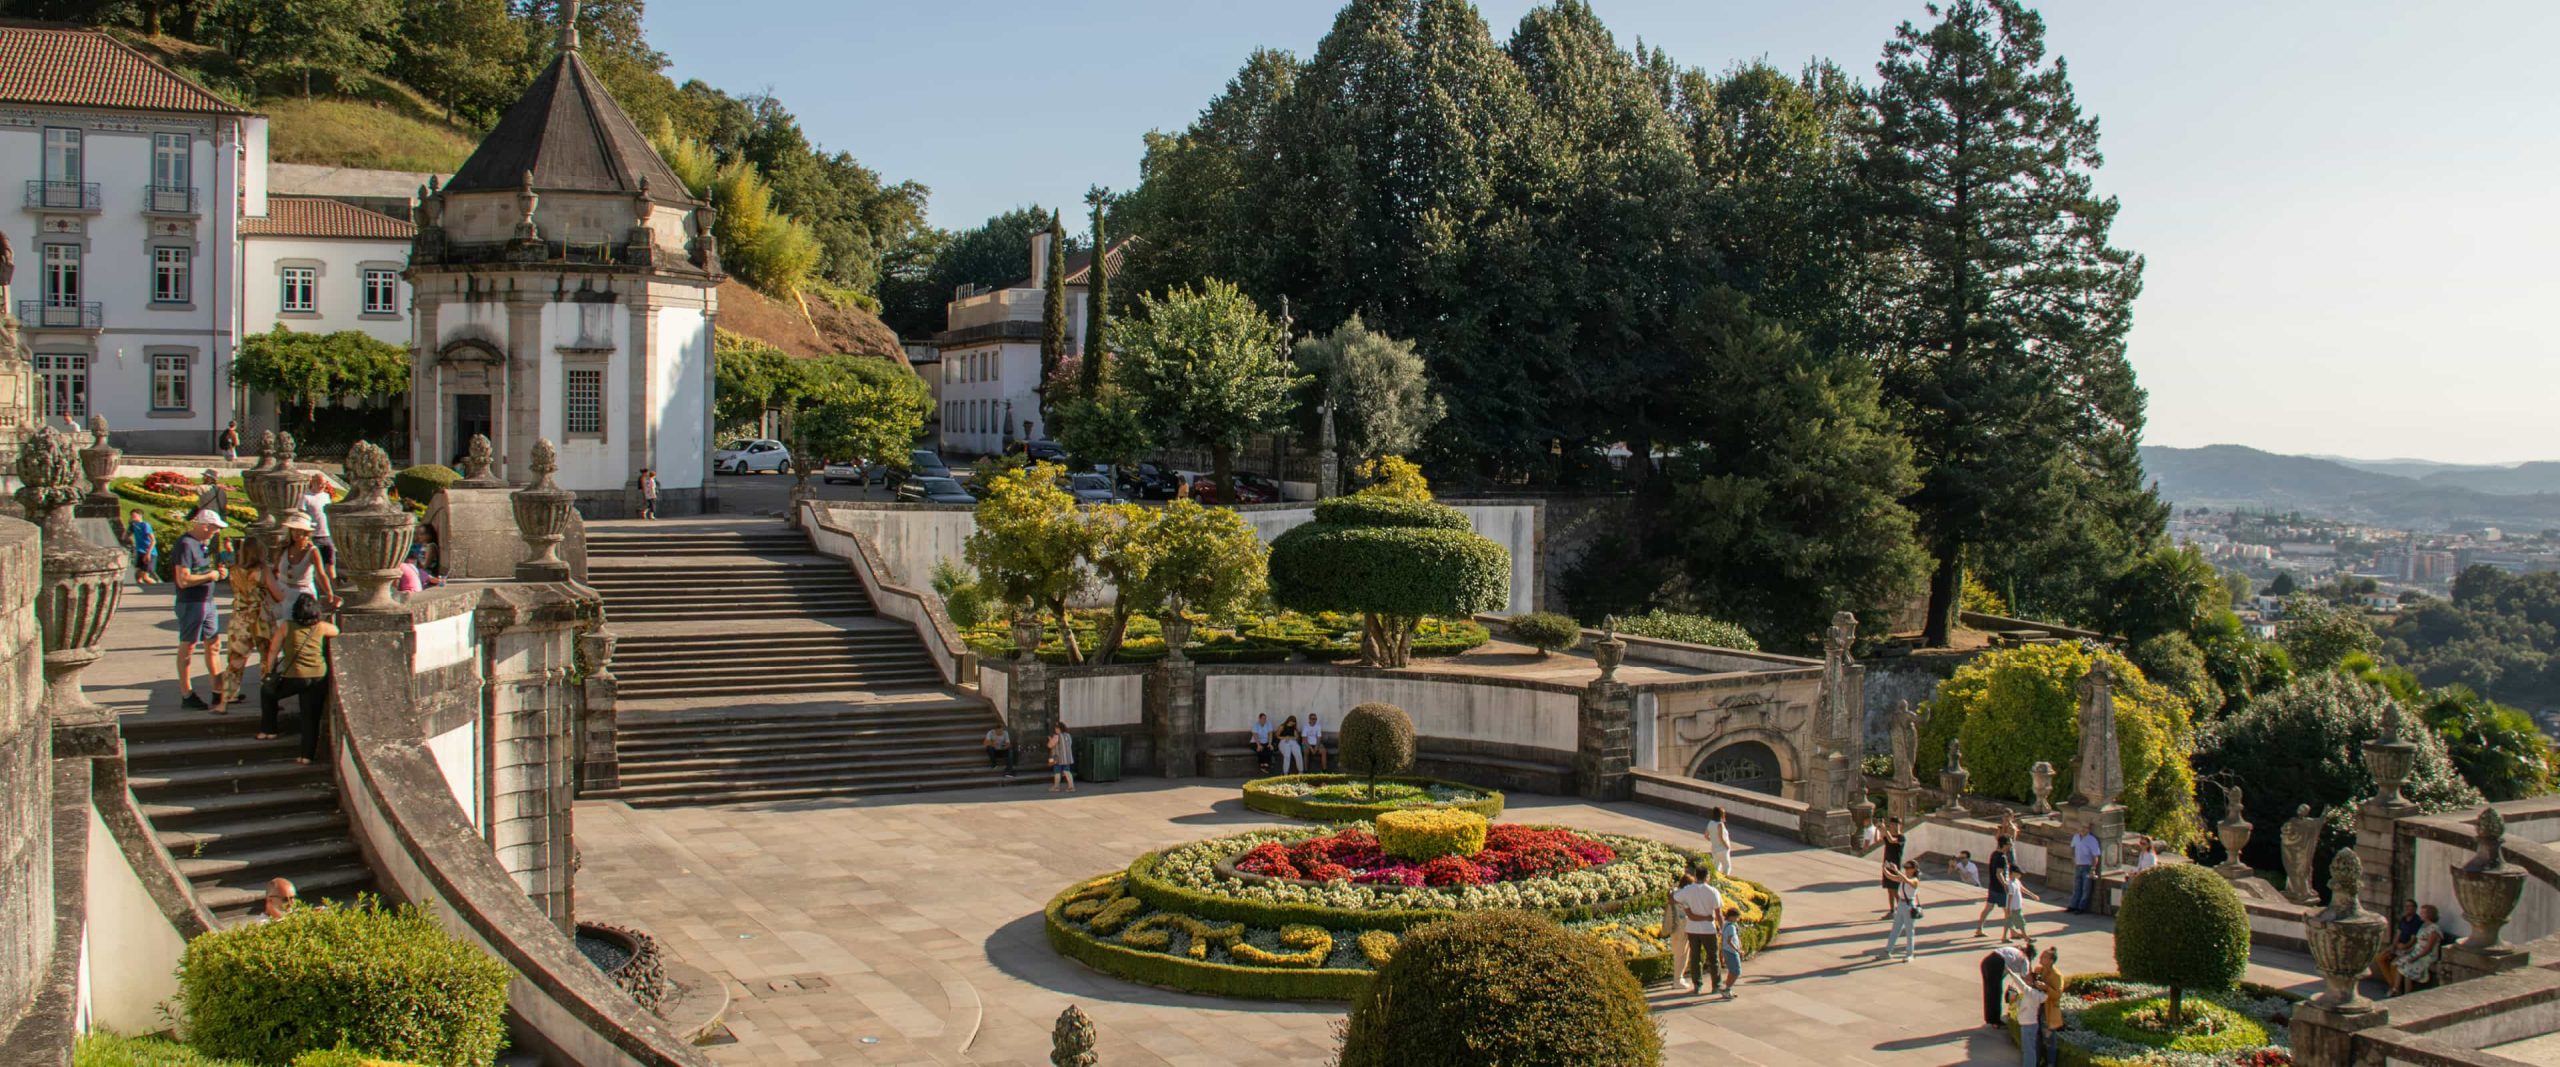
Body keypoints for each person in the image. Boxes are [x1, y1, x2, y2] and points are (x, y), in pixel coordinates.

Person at [261, 594, 337, 763]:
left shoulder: (286, 626)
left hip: (295, 676)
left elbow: (273, 650)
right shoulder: (321, 627)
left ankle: (269, 730)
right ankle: (306, 756)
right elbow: (336, 631)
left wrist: (269, 670)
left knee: (268, 692)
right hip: (318, 675)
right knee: (311, 717)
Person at [169, 510, 228, 710]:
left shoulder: (201, 544)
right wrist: (210, 576)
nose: (216, 532)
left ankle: (218, 691)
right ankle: (186, 693)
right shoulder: (186, 544)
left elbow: (199, 571)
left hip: (207, 600)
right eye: (214, 528)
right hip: (191, 602)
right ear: (204, 526)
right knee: (189, 645)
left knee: (213, 644)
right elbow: (183, 580)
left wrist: (216, 573)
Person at [214, 536, 271, 715]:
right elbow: (278, 594)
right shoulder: (263, 570)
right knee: (267, 659)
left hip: (239, 618)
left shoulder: (234, 571)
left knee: (234, 661)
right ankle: (269, 701)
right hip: (260, 618)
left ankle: (225, 702)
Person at [267, 513, 338, 627]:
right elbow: (275, 570)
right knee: (283, 627)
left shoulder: (312, 551)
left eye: (299, 530)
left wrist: (329, 593)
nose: (296, 533)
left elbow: (320, 574)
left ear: (306, 532)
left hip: (303, 594)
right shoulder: (283, 548)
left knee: (303, 627)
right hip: (283, 591)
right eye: (294, 530)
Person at [1670, 864, 1724, 994]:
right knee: (1713, 958)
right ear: (1707, 877)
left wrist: (1685, 907)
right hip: (1708, 929)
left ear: (1696, 876)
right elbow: (1718, 914)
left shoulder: (1688, 890)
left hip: (1692, 929)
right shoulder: (1712, 891)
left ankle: (1697, 986)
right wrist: (1723, 929)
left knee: (1695, 958)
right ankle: (1716, 985)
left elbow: (1672, 899)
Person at [1979, 937, 2036, 1026]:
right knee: (1996, 993)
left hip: (1987, 961)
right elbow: (2024, 977)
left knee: (1989, 991)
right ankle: (1995, 1021)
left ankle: (1990, 1018)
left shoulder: (2013, 950)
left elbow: (2005, 970)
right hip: (1997, 963)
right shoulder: (2024, 958)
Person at [2391, 904, 2445, 996]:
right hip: (2417, 952)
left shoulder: (2434, 929)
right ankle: (2396, 989)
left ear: (2429, 914)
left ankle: (2407, 994)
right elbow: (2417, 943)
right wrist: (2408, 951)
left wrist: (2415, 957)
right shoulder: (2423, 926)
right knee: (2400, 962)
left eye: (2423, 913)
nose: (2421, 914)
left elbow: (2428, 948)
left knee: (2408, 968)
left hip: (2427, 955)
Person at [2023, 947, 2063, 1067]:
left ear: (2051, 960)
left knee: (2049, 1040)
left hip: (2048, 1011)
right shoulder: (2038, 970)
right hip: (2036, 1008)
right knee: (2037, 1038)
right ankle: (2036, 1061)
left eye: (2044, 957)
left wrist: (2046, 988)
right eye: (2041, 956)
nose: (2041, 958)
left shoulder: (2056, 975)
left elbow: (2057, 995)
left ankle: (2050, 1063)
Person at [2374, 900, 2422, 986]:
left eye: (2409, 906)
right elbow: (2398, 934)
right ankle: (2392, 983)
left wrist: (2404, 947)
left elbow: (2413, 940)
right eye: (2406, 906)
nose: (2407, 908)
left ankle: (2395, 987)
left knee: (2394, 965)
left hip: (2407, 948)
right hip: (2398, 946)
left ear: (2415, 908)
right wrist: (2393, 946)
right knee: (2379, 958)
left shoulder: (2417, 921)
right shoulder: (2403, 919)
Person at [1977, 835, 2016, 936]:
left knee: (1988, 908)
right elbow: (1999, 873)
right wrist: (2005, 885)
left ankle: (1979, 929)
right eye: (2010, 844)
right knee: (2008, 911)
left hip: (1993, 886)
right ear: (2004, 845)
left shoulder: (1994, 854)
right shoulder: (2002, 858)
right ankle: (2010, 933)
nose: (2011, 846)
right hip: (2000, 889)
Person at [1882, 859, 1921, 961]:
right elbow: (1891, 877)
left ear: (1914, 869)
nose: (1906, 869)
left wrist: (1896, 870)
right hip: (1901, 904)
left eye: (1908, 868)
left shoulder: (1915, 880)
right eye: (1905, 867)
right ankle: (1887, 952)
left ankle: (1909, 954)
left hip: (1909, 905)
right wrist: (1885, 868)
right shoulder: (1903, 877)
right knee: (1895, 929)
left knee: (1909, 931)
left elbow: (1907, 881)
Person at [300, 473, 337, 573]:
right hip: (313, 536)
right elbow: (301, 515)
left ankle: (331, 582)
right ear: (313, 482)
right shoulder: (305, 497)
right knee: (316, 567)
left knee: (331, 563)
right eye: (320, 483)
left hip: (327, 535)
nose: (323, 486)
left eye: (324, 483)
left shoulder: (326, 496)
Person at [2067, 823, 2103, 913]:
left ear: (2089, 829)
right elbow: (2072, 848)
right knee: (2077, 887)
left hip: (2087, 866)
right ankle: (2073, 905)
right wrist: (2073, 859)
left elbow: (2095, 856)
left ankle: (2081, 907)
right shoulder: (2076, 837)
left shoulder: (2092, 840)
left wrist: (2093, 868)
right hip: (2078, 865)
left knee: (2086, 888)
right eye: (2081, 827)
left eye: (2085, 828)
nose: (2083, 829)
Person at [2001, 861, 2037, 942]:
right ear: (2013, 873)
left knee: (2008, 923)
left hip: (2014, 907)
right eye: (2019, 873)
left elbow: (2022, 889)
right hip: (2014, 908)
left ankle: (2004, 938)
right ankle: (2026, 937)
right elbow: (2009, 898)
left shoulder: (2016, 881)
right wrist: (2008, 909)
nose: (2020, 875)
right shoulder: (2011, 884)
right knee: (2021, 922)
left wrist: (2032, 895)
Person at [1716, 903, 1744, 1000]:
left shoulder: (1726, 924)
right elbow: (1729, 941)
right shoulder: (1731, 927)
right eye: (1736, 917)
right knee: (1736, 971)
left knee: (1732, 971)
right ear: (1731, 917)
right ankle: (1727, 989)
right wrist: (1738, 950)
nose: (1737, 919)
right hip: (1731, 951)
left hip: (1726, 950)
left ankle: (1727, 989)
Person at [1879, 817, 1907, 913]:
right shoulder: (1888, 835)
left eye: (1896, 824)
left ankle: (1902, 910)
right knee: (1889, 890)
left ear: (1900, 826)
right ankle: (1892, 910)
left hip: (1895, 866)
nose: (1894, 826)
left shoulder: (1901, 837)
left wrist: (1885, 829)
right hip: (1887, 864)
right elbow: (1883, 836)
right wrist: (1881, 827)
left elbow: (1891, 840)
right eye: (1893, 824)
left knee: (1895, 890)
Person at [125, 509, 158, 586]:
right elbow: (125, 537)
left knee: (145, 577)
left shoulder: (145, 525)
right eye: (131, 516)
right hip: (140, 552)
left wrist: (148, 553)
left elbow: (153, 541)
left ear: (140, 516)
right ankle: (146, 590)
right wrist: (129, 527)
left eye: (134, 515)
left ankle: (159, 588)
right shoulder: (134, 525)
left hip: (149, 552)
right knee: (138, 577)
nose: (132, 517)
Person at [1704, 806, 1735, 877]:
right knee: (1727, 867)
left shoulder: (1710, 823)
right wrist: (1727, 846)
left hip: (1714, 849)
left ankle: (1714, 879)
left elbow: (1706, 836)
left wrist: (1713, 840)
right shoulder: (1720, 825)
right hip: (1722, 849)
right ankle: (1725, 879)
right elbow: (1721, 838)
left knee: (1716, 867)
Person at [1048, 721, 1076, 793]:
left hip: (1058, 758)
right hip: (1067, 757)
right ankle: (1071, 787)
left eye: (1056, 728)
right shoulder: (1068, 735)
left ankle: (1056, 787)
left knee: (1057, 772)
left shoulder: (1056, 736)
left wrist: (1050, 740)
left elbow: (1050, 745)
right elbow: (1070, 744)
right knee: (1067, 771)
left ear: (1059, 729)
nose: (1055, 729)